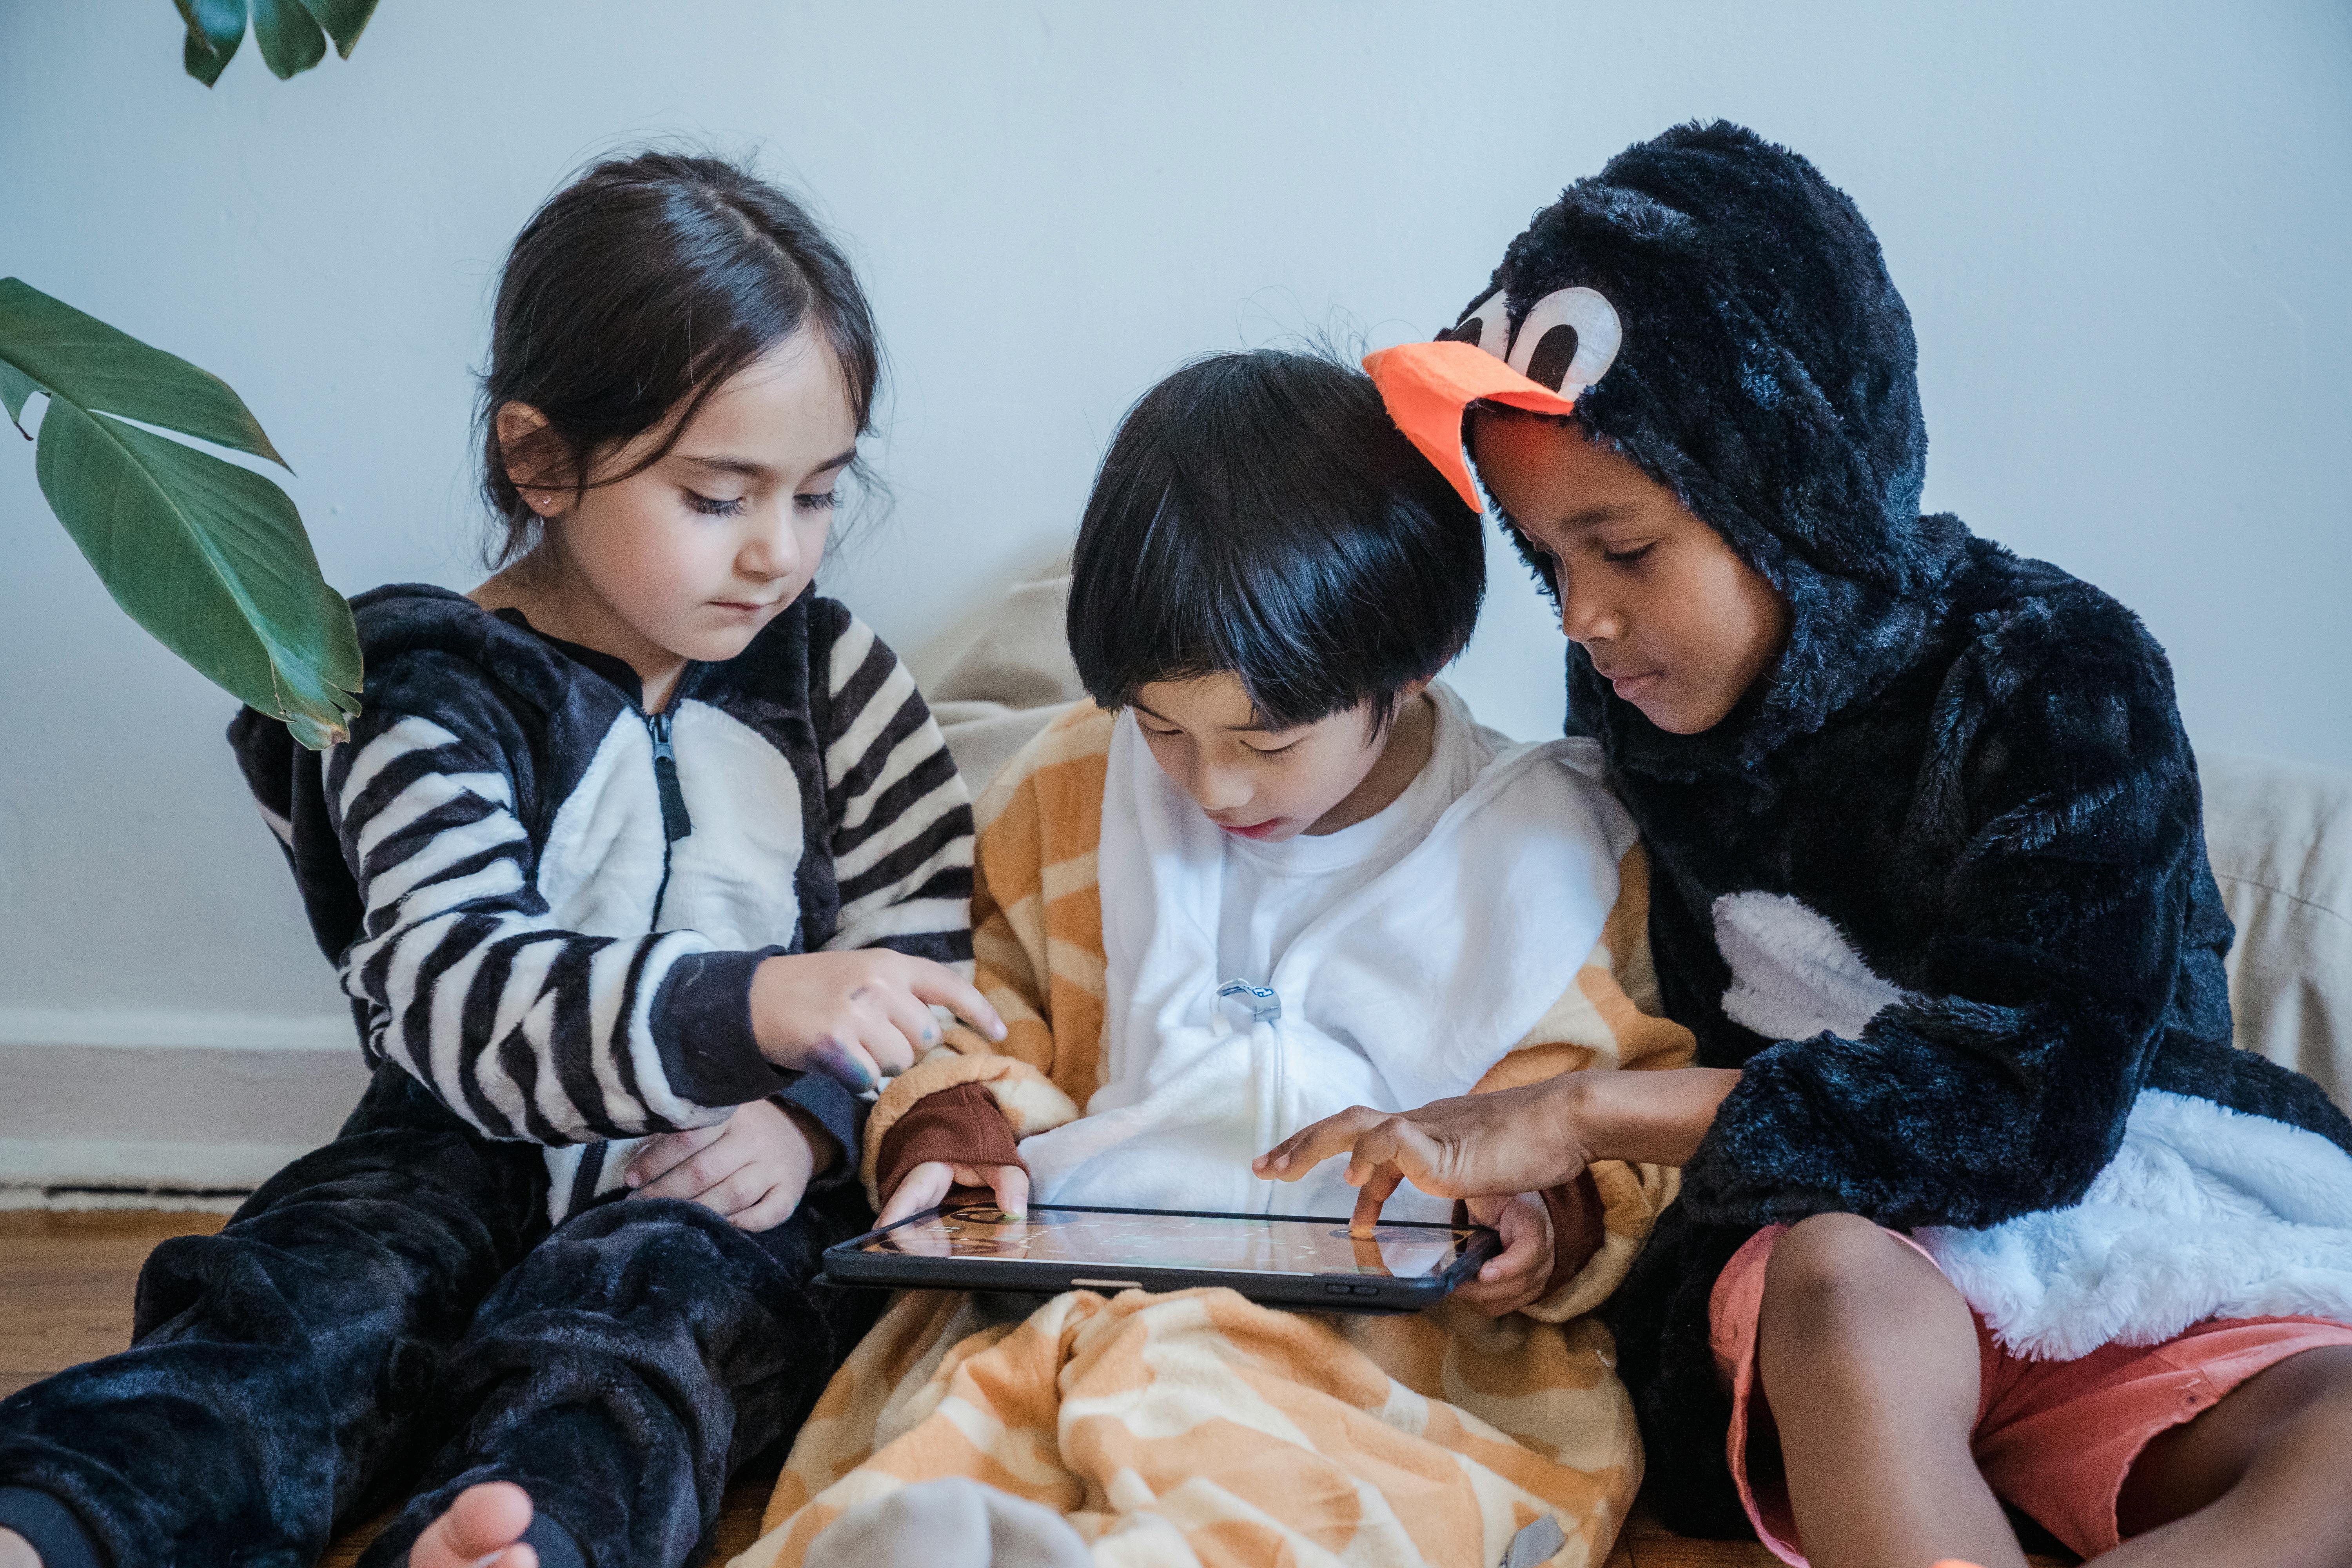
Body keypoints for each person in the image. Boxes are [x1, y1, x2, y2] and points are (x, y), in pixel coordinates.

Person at [1260, 122, 2352, 1568]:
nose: (1582, 619)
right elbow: (1623, 1007)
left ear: (1800, 497)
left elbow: (2025, 1096)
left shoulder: (2053, 669)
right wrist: (1558, 1184)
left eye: (1627, 550)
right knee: (1841, 1285)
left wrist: (1586, 1116)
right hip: (1847, 1276)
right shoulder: (1631, 718)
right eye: (1552, 561)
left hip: (2140, 1227)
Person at [0, 151, 1003, 1568]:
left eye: (819, 495)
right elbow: (456, 993)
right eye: (719, 498)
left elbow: (927, 974)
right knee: (300, 1312)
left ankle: (522, 1540)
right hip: (448, 1151)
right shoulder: (426, 683)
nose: (779, 553)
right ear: (540, 458)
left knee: (650, 1334)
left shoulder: (836, 683)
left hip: (723, 1182)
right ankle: (54, 1523)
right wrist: (757, 1004)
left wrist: (807, 1125)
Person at [736, 349, 1695, 1568]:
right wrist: (953, 1135)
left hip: (1397, 1343)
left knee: (1288, 1484)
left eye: (1269, 740)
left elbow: (1615, 1119)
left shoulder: (1546, 849)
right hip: (1072, 1286)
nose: (1215, 785)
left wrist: (1543, 1213)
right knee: (961, 1438)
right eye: (1163, 729)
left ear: (1409, 666)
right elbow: (979, 1015)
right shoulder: (1071, 790)